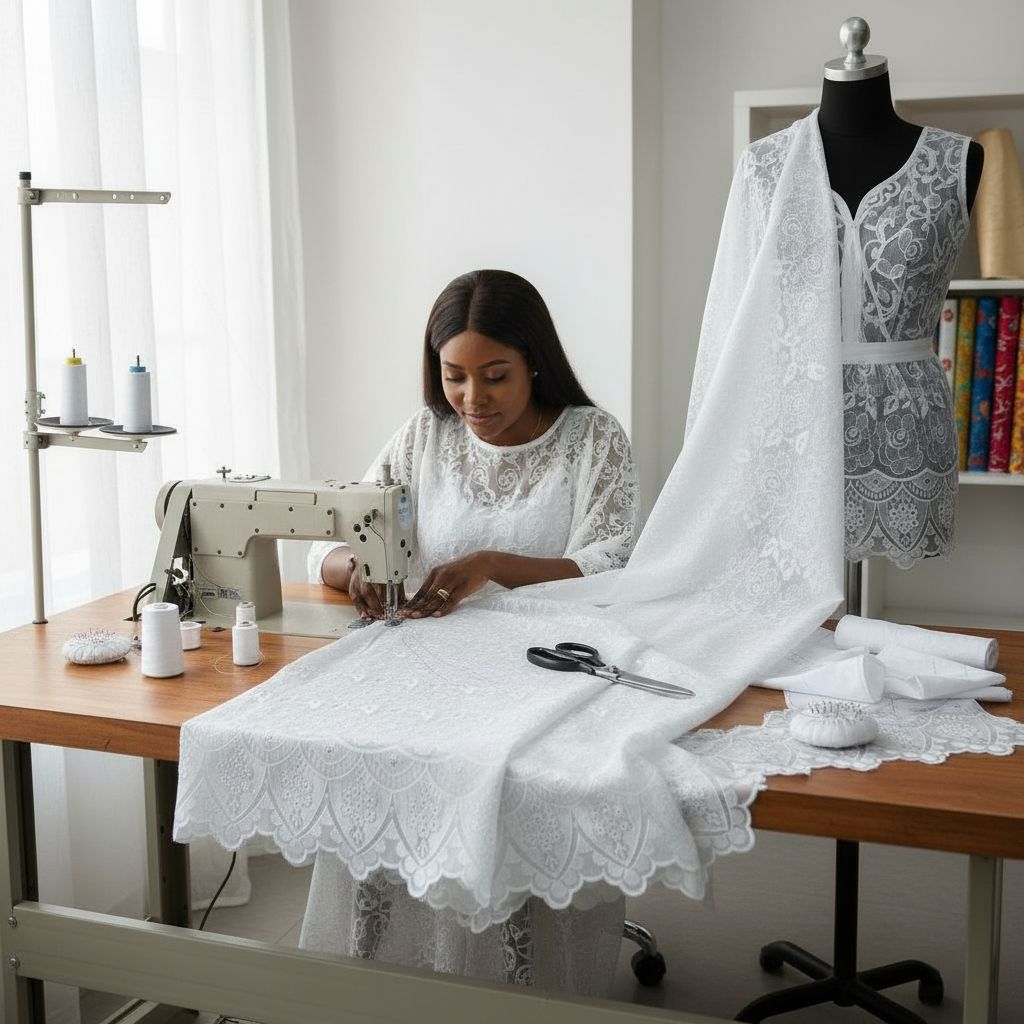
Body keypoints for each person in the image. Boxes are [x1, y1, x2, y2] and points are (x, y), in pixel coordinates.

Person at [302, 268, 640, 993]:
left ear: (534, 362)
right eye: (454, 376)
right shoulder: (426, 436)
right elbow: (328, 540)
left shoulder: (592, 439)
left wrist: (491, 565)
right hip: (424, 674)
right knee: (381, 784)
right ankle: (378, 978)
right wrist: (354, 569)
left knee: (504, 812)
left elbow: (610, 567)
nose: (473, 399)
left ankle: (517, 989)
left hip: (541, 674)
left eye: (494, 376)